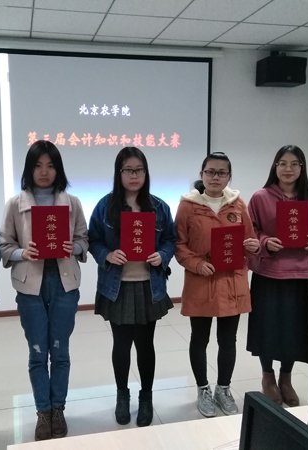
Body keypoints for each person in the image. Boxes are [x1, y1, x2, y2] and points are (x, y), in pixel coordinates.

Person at [0, 140, 88, 441]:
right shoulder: (15, 204)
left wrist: (74, 247)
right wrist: (22, 252)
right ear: (29, 169)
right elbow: (4, 245)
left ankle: (58, 408)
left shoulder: (72, 203)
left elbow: (84, 240)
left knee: (60, 350)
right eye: (38, 165)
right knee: (38, 351)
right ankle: (43, 411)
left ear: (58, 169)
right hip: (30, 285)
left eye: (50, 166)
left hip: (64, 282)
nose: (44, 172)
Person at [88, 146, 176, 427]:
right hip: (118, 286)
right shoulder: (105, 206)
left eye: (139, 170)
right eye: (128, 170)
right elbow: (93, 239)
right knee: (121, 344)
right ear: (119, 173)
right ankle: (122, 395)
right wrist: (107, 255)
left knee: (146, 345)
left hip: (149, 285)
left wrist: (162, 255)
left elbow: (171, 240)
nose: (134, 175)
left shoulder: (159, 207)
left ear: (146, 173)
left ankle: (146, 397)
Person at [174, 152, 259, 417]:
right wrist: (197, 264)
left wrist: (253, 246)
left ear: (229, 177)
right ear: (202, 174)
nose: (215, 177)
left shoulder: (238, 204)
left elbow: (250, 240)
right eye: (210, 172)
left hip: (232, 282)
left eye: (222, 173)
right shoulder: (188, 206)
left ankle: (223, 388)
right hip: (201, 281)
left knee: (228, 339)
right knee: (199, 339)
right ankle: (203, 389)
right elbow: (178, 245)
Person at [247, 145, 308, 406]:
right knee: (267, 328)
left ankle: (286, 378)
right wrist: (265, 242)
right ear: (275, 166)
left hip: (300, 273)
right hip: (268, 273)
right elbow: (250, 230)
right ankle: (268, 377)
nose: (288, 169)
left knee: (293, 329)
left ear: (302, 168)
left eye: (295, 164)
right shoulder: (260, 197)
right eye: (282, 163)